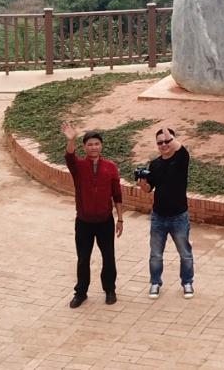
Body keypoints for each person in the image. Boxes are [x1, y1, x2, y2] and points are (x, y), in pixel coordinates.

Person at [61, 121, 123, 308]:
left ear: (101, 146)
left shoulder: (110, 167)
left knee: (109, 257)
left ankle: (110, 290)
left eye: (96, 144)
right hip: (84, 222)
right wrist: (71, 139)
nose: (93, 147)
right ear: (84, 147)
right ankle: (81, 293)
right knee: (83, 259)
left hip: (105, 221)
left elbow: (117, 194)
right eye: (90, 144)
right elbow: (69, 156)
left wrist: (120, 219)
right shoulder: (78, 166)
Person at [136, 126, 194, 300]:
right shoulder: (155, 164)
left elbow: (180, 148)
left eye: (167, 141)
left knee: (185, 253)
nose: (163, 145)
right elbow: (149, 188)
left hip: (179, 216)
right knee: (155, 254)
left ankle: (187, 282)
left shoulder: (181, 158)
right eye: (160, 143)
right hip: (158, 217)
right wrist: (143, 185)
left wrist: (169, 136)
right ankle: (155, 282)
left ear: (173, 141)